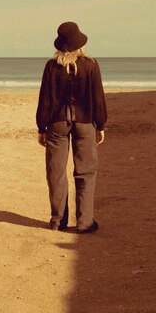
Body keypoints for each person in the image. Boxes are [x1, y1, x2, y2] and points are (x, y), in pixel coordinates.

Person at [36, 22, 107, 233]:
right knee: (86, 172)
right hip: (85, 124)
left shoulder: (52, 66)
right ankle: (85, 222)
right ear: (79, 43)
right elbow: (98, 98)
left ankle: (58, 221)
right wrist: (100, 125)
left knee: (56, 172)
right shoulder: (91, 65)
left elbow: (45, 100)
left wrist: (42, 127)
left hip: (57, 124)